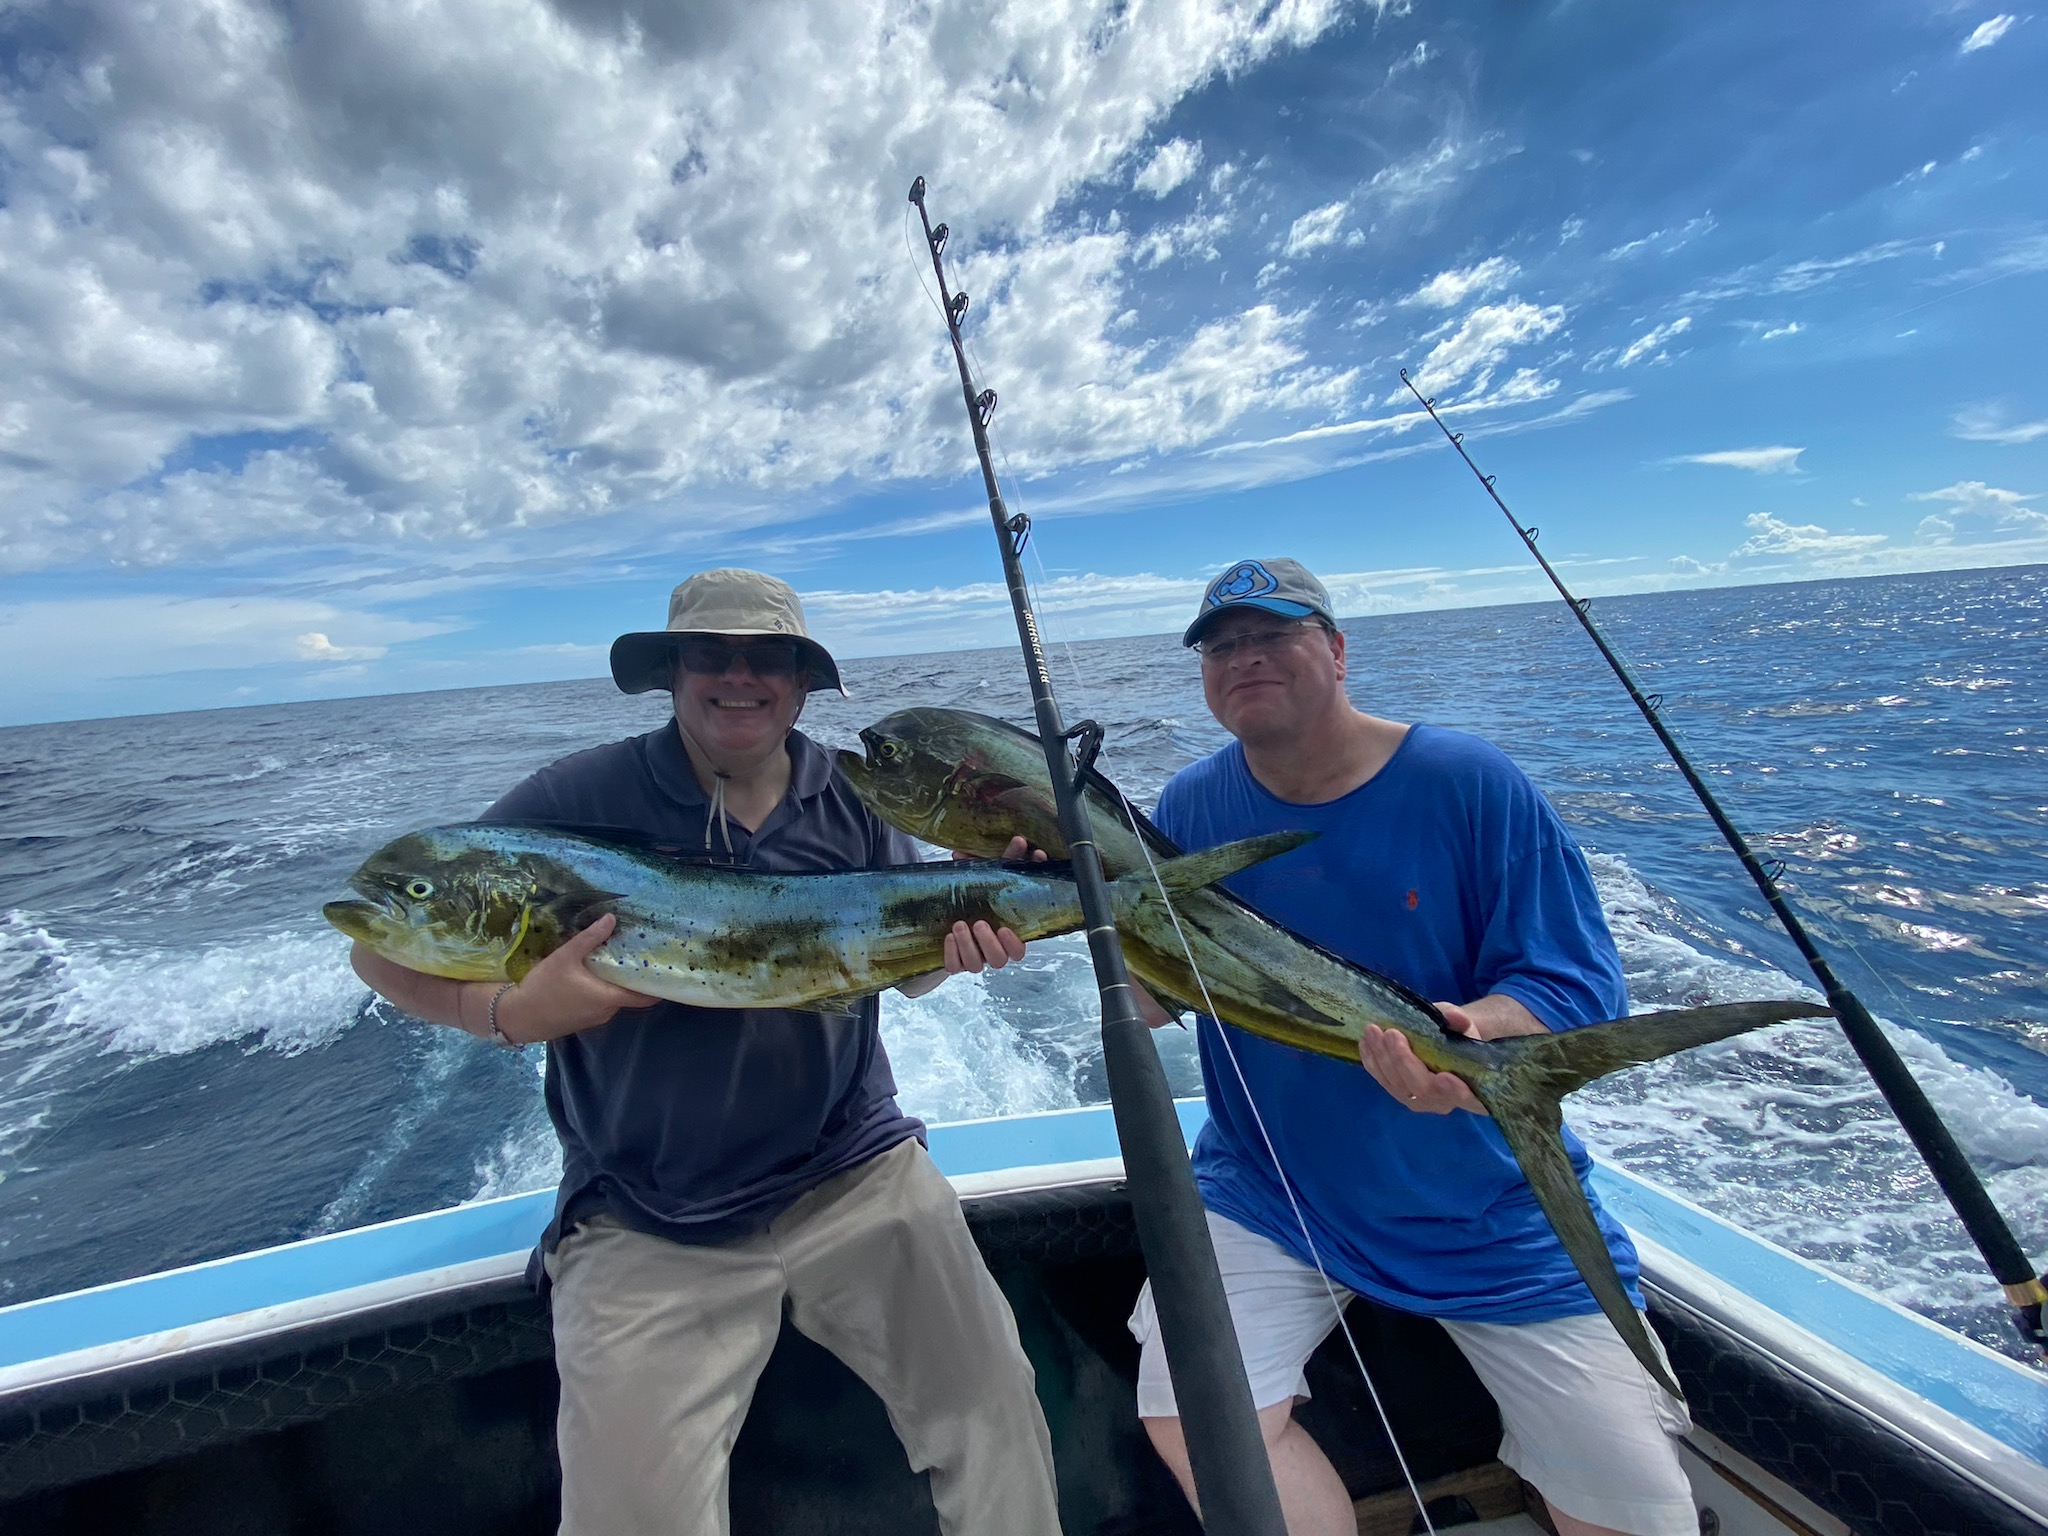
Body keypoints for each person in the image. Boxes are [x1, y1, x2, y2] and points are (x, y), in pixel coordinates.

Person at [350, 568, 1062, 1536]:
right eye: (708, 655)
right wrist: (512, 1012)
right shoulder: (573, 798)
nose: (737, 676)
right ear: (672, 674)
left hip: (854, 1175)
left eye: (765, 656)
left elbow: (901, 959)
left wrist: (968, 945)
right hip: (648, 1214)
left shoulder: (854, 800)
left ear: (802, 681)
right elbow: (373, 946)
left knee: (997, 1412)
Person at [1125, 558, 1695, 1536]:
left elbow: (1573, 989)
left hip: (1487, 1209)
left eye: (1272, 634)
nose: (1242, 658)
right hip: (1270, 1191)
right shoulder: (1184, 808)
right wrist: (1040, 907)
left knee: (1638, 1514)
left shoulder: (1468, 783)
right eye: (1219, 647)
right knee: (1190, 1415)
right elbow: (1153, 999)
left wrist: (1473, 1043)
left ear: (1337, 651)